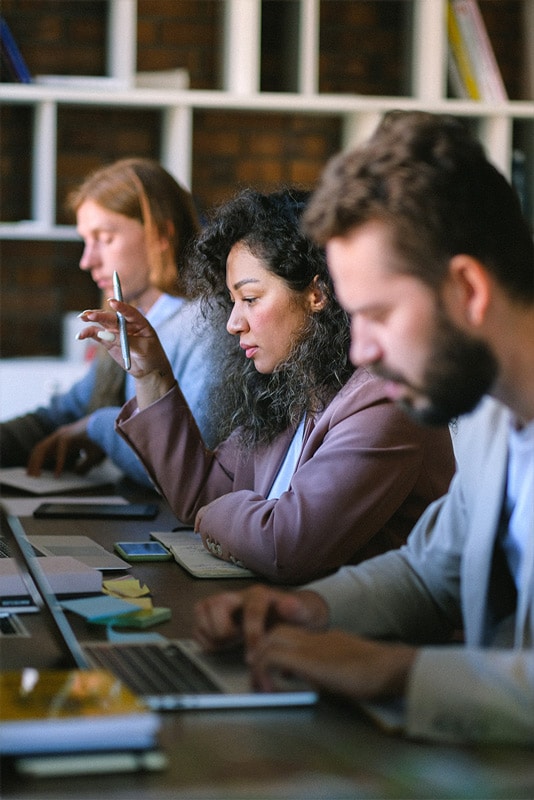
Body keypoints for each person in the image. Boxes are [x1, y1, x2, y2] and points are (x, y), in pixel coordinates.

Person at [192, 111, 534, 744]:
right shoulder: (493, 412)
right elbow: (431, 572)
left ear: (467, 289)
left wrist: (397, 672)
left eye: (377, 314)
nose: (361, 351)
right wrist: (309, 609)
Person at [76, 187, 454, 584]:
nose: (233, 322)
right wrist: (151, 373)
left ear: (317, 292)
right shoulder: (294, 387)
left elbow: (285, 545)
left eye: (251, 298)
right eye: (233, 301)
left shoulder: (385, 398)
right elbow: (201, 490)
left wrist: (216, 515)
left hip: (369, 639)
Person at [0, 157, 228, 487]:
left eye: (104, 238)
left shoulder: (208, 325)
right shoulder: (134, 323)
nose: (86, 261)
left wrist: (99, 427)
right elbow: (60, 416)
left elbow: (190, 466)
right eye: (85, 241)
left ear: (161, 234)